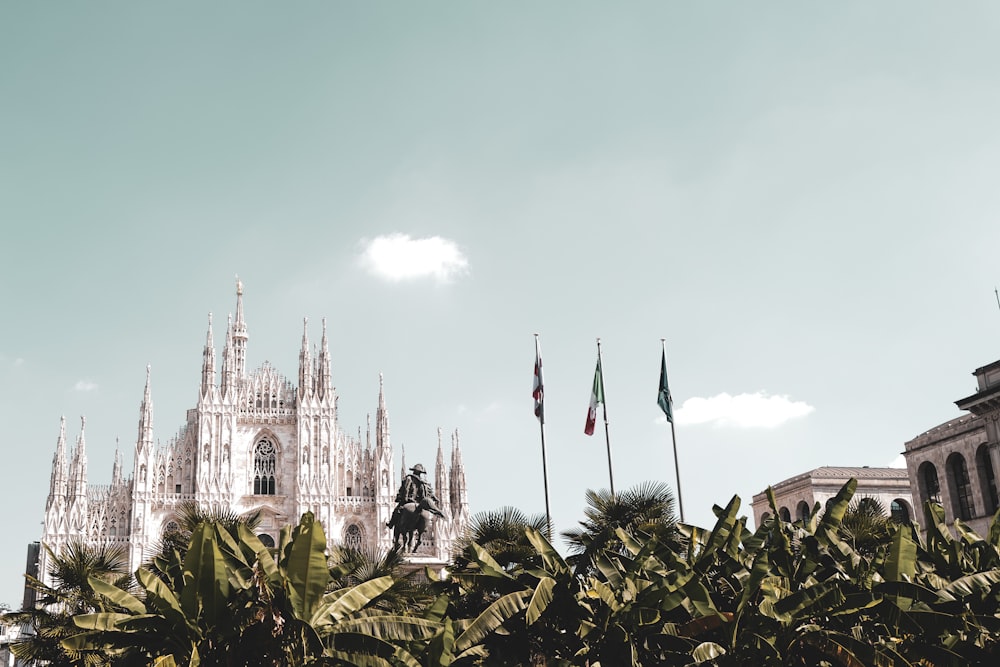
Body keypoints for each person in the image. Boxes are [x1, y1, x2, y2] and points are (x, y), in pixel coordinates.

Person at [386, 463, 444, 528]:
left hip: (409, 500)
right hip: (419, 502)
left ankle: (391, 523)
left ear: (414, 471)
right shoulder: (423, 482)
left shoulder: (409, 478)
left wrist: (403, 499)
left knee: (396, 511)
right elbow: (429, 493)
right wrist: (435, 499)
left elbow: (406, 489)